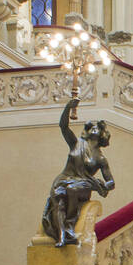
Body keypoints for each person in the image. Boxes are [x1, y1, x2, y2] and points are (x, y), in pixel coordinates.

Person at [41, 97, 114, 246]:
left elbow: (111, 181)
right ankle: (62, 236)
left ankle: (69, 226)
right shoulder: (76, 143)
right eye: (93, 127)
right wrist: (68, 107)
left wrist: (106, 185)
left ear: (102, 135)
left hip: (84, 184)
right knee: (59, 197)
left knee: (72, 190)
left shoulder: (100, 158)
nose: (95, 128)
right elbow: (63, 126)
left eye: (98, 128)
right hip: (64, 178)